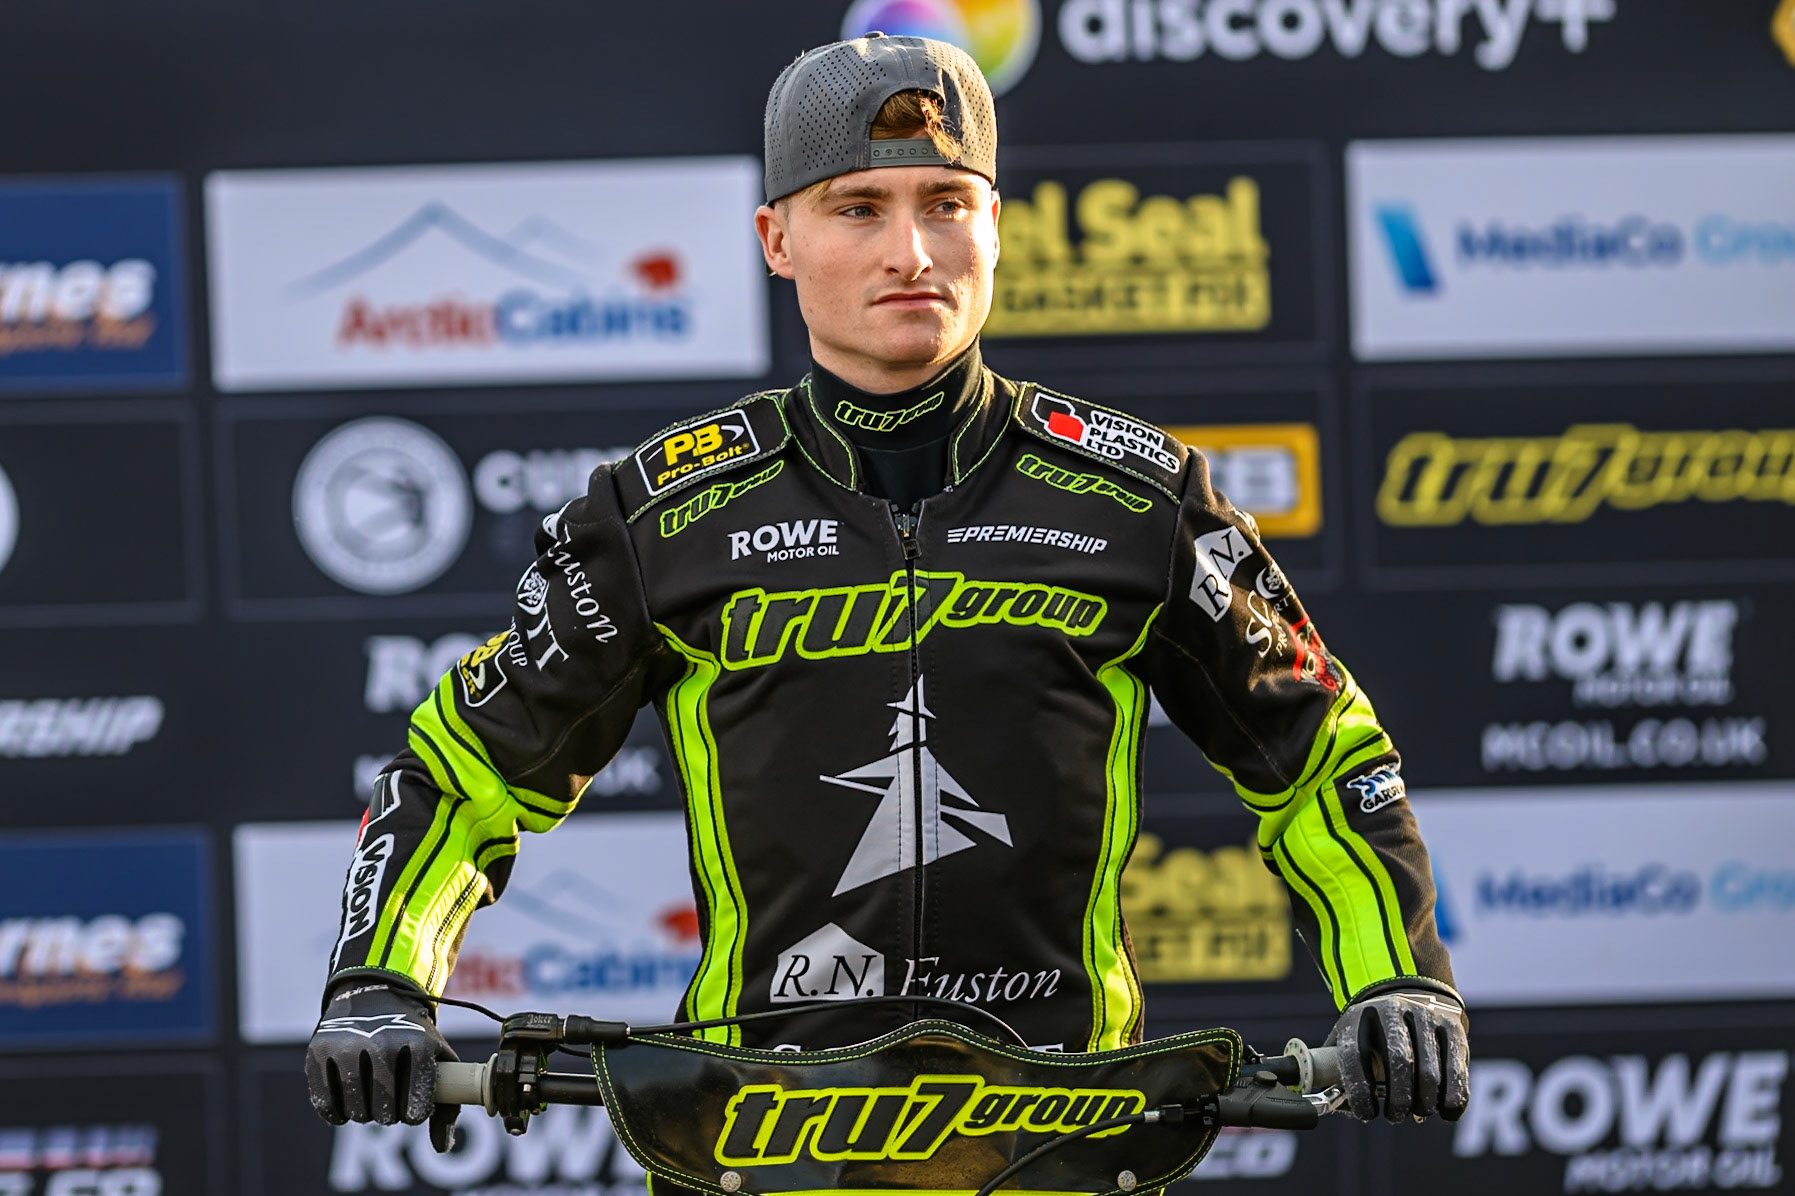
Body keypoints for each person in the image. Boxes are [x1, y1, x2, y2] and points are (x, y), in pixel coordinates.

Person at [304, 32, 1469, 1152]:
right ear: (776, 237)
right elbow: (460, 772)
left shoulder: (1140, 494)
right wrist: (379, 979)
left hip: (1064, 1146)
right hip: (757, 1140)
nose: (911, 252)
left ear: (996, 226)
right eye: (858, 208)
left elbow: (1325, 759)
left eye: (945, 204)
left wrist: (1398, 977)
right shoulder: (663, 512)